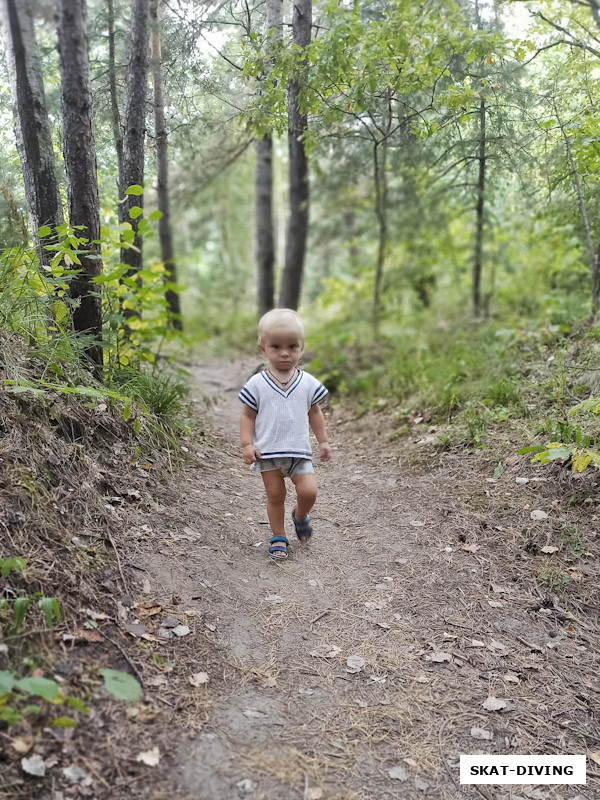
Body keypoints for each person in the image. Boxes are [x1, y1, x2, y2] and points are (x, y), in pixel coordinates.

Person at [239, 309, 331, 560]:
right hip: (268, 453)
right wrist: (247, 444)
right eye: (276, 346)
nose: (284, 353)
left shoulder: (308, 383)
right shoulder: (257, 383)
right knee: (275, 495)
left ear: (302, 347)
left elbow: (315, 413)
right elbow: (247, 415)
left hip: (299, 452)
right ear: (263, 348)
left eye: (292, 346)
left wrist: (322, 440)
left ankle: (300, 515)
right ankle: (278, 536)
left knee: (309, 491)